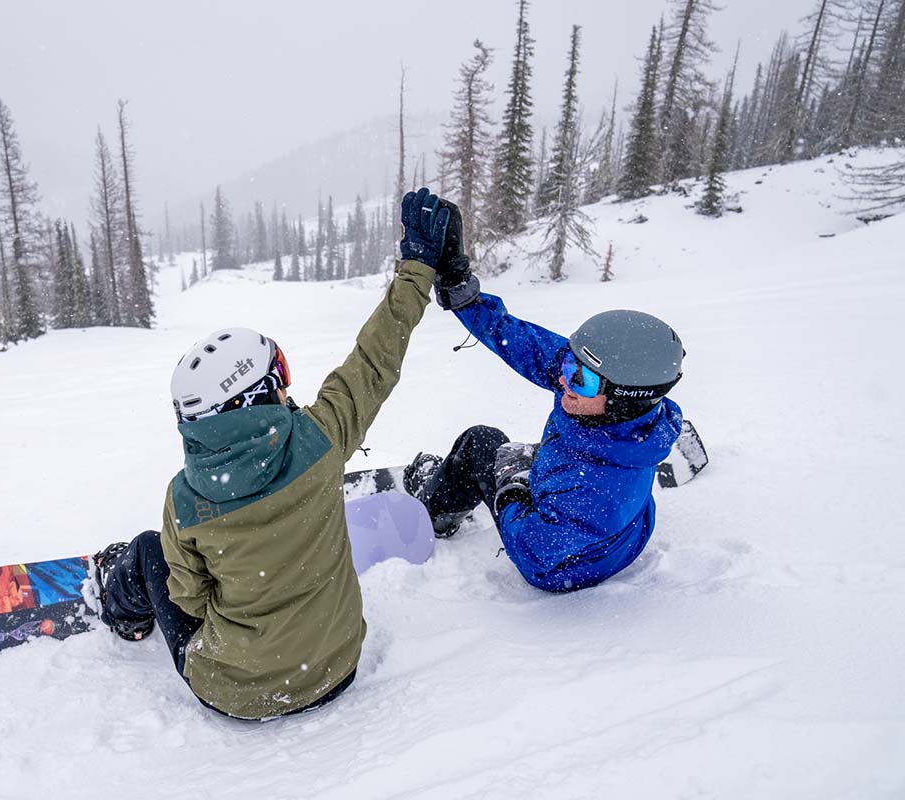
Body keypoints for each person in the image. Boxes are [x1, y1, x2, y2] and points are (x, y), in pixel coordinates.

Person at [90, 188, 457, 720]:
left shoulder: (186, 499)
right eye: (279, 374)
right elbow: (376, 359)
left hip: (238, 693)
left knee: (150, 551)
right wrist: (418, 266)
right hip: (339, 665)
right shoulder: (321, 437)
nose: (289, 385)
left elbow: (190, 600)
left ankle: (121, 609)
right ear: (259, 395)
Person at [404, 200, 686, 593]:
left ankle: (435, 510)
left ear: (626, 398)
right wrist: (460, 290)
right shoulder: (620, 402)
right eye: (569, 367)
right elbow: (526, 345)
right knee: (538, 452)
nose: (565, 381)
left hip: (560, 567)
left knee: (479, 443)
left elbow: (535, 551)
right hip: (621, 532)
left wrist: (512, 490)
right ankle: (531, 469)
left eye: (582, 380)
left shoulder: (596, 492)